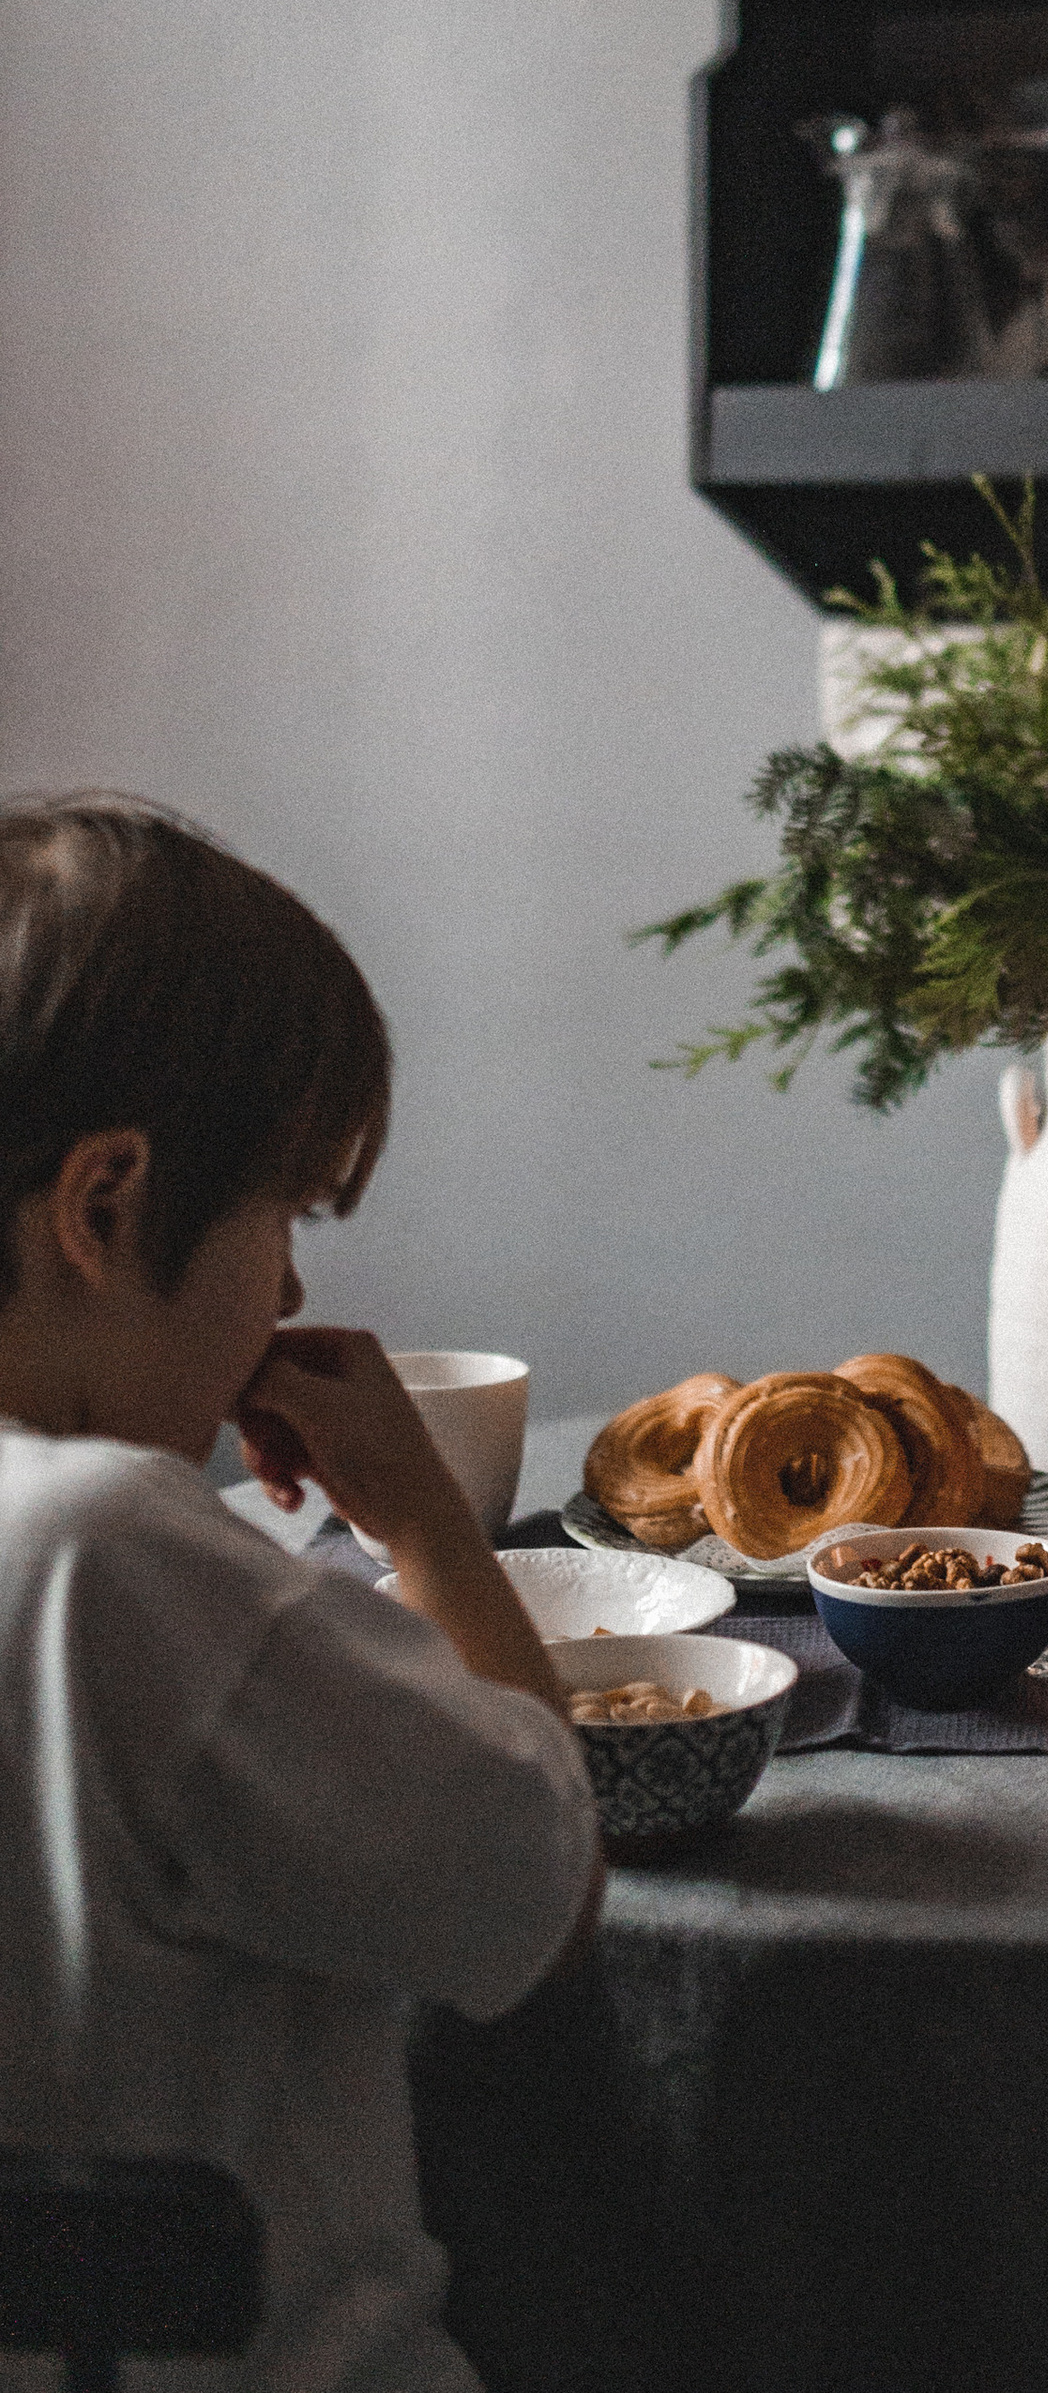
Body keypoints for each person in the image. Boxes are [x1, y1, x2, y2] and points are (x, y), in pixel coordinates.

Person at [0, 798, 599, 2393]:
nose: (288, 1289)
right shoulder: (105, 1557)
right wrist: (428, 1523)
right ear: (108, 1205)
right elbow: (539, 1886)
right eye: (288, 1212)